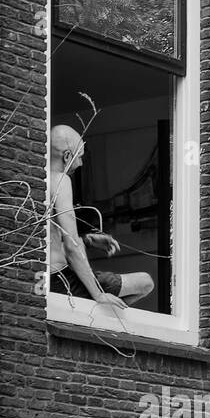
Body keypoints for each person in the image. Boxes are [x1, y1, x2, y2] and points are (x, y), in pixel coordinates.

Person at [47, 126, 154, 306]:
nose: (80, 164)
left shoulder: (39, 182)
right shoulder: (60, 180)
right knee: (145, 282)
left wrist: (88, 240)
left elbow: (54, 238)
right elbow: (71, 246)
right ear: (67, 156)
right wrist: (98, 295)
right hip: (61, 279)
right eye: (79, 157)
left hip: (45, 279)